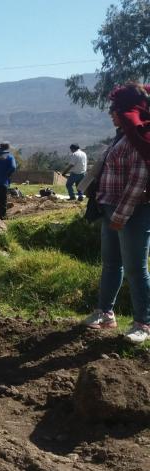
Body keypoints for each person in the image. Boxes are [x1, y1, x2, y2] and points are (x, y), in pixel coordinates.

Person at [83, 83, 150, 344]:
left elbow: (140, 179)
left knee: (135, 268)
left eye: (115, 109)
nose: (111, 113)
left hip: (132, 211)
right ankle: (105, 313)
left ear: (128, 110)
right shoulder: (123, 134)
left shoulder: (141, 136)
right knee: (111, 263)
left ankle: (143, 323)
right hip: (112, 207)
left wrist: (121, 215)